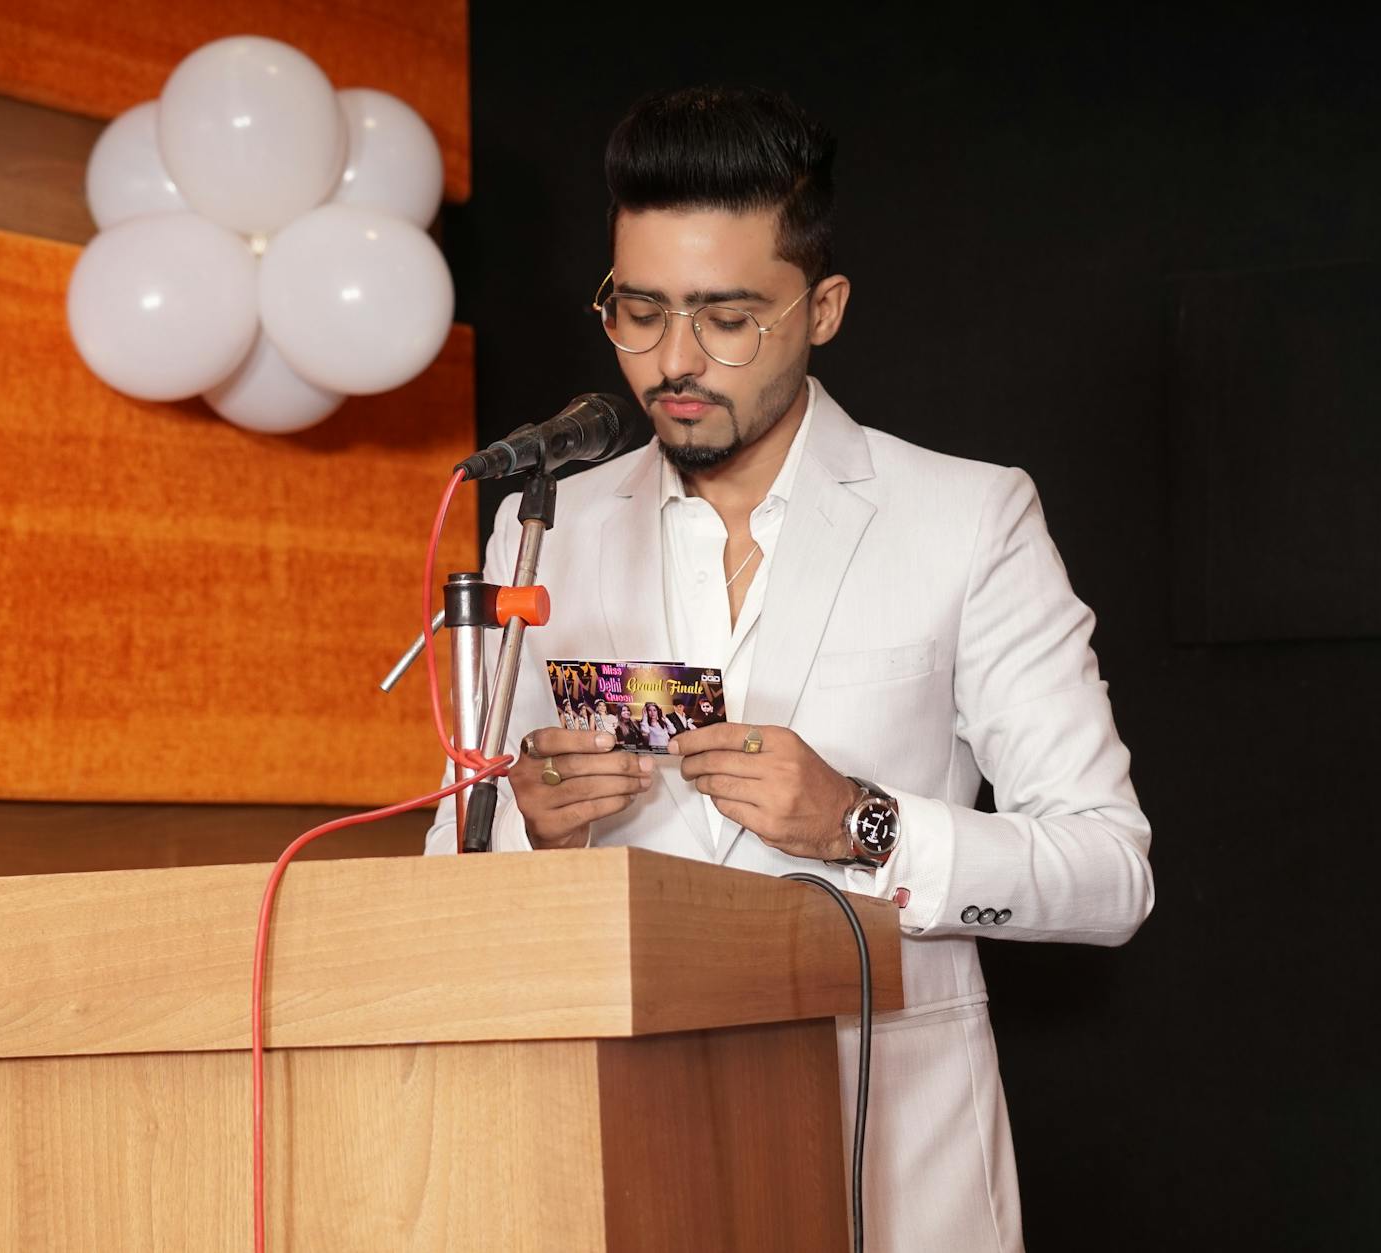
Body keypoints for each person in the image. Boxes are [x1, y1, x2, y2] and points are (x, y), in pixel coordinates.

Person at [427, 85, 1152, 1252]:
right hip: (615, 1154)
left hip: (891, 1160)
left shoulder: (969, 518)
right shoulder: (541, 525)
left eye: (725, 318)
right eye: (638, 310)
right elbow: (444, 868)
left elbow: (1109, 875)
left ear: (821, 307)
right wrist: (530, 827)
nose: (671, 360)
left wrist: (859, 824)